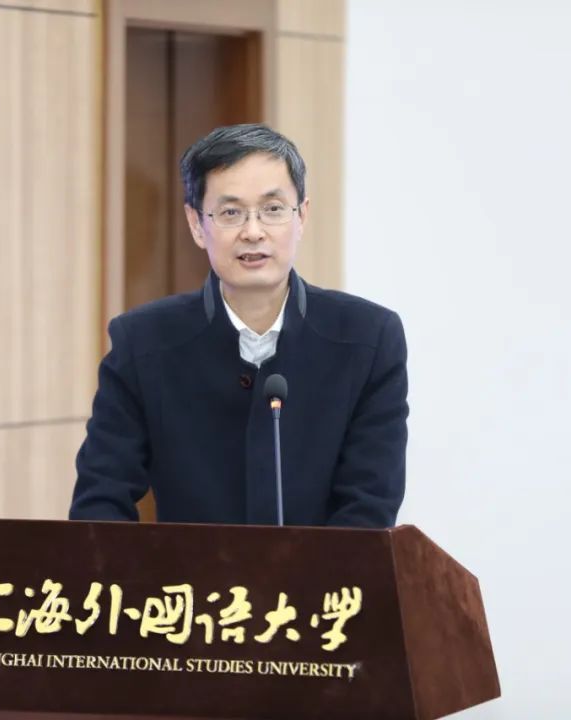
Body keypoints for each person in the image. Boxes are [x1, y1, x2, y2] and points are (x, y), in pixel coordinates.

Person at [69, 124, 408, 528]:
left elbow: (368, 510)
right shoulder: (142, 344)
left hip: (325, 572)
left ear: (301, 216)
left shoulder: (369, 339)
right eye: (231, 213)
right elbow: (100, 504)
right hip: (187, 571)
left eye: (273, 209)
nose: (253, 231)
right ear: (197, 224)